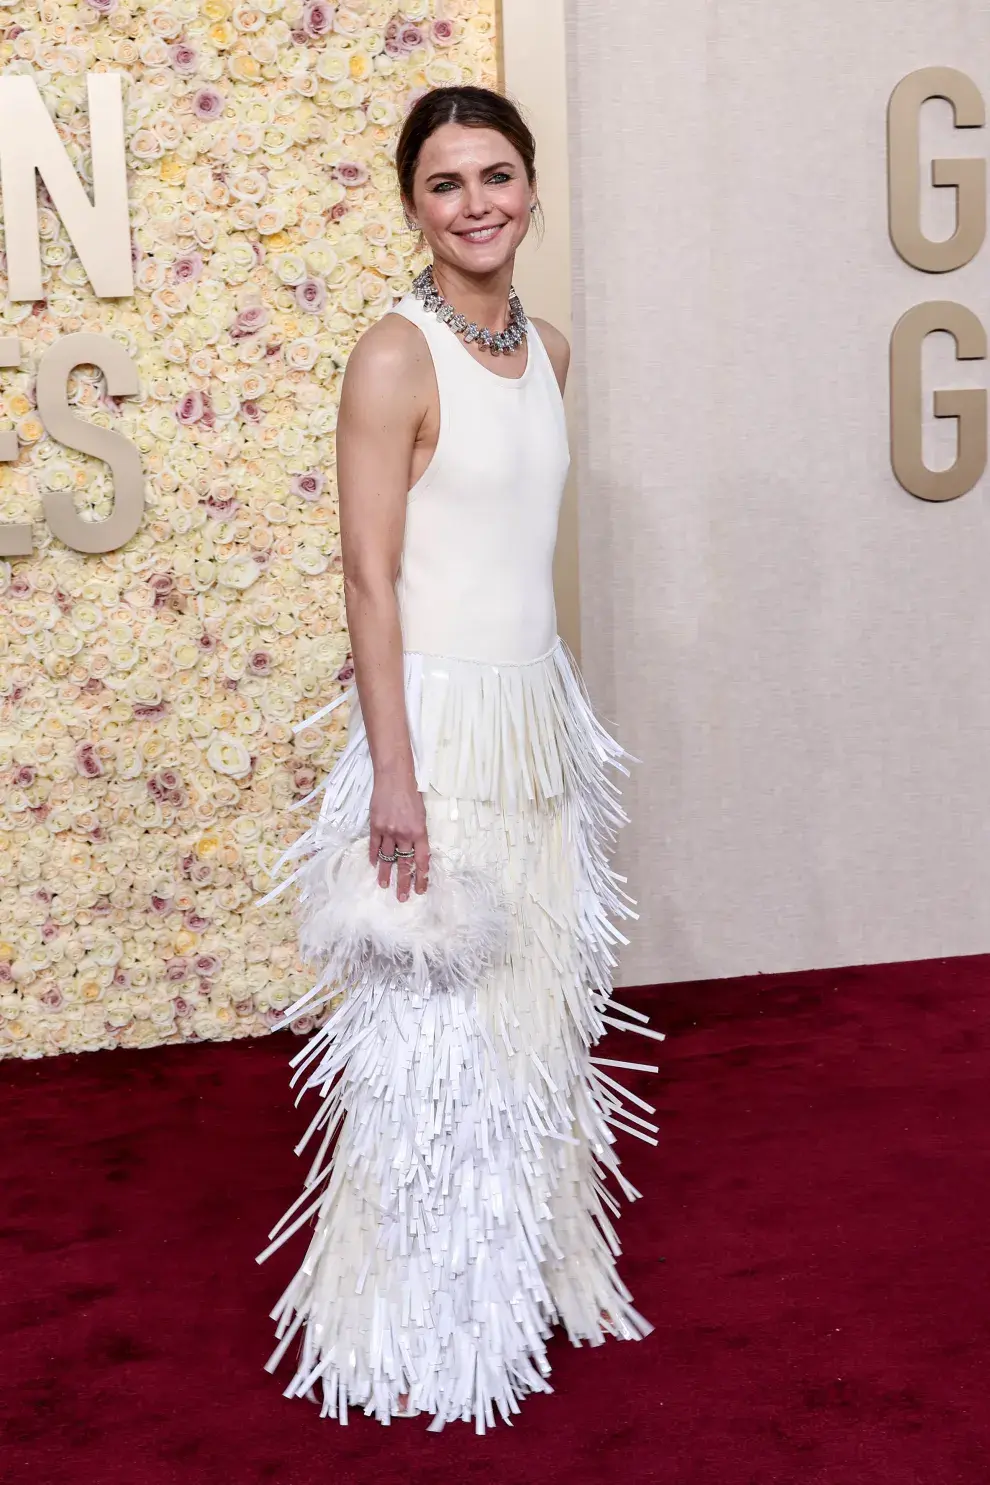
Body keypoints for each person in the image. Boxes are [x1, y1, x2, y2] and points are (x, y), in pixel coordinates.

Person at [255, 84, 662, 1433]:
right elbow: (368, 580)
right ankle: (414, 1314)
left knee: (538, 1009)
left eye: (498, 173)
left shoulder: (547, 344)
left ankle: (535, 1270)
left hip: (532, 718)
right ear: (411, 204)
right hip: (428, 733)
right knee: (437, 1039)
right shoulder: (390, 356)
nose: (478, 201)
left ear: (530, 186)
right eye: (446, 183)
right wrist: (392, 774)